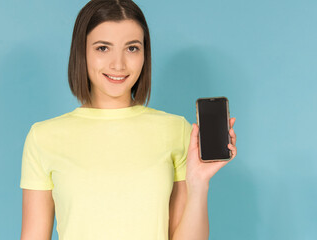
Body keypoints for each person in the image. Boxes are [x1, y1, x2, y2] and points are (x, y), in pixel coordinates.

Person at [19, 0, 237, 239]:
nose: (118, 64)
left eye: (132, 48)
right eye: (103, 48)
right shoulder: (43, 137)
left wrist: (199, 185)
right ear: (81, 52)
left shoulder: (177, 131)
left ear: (145, 53)